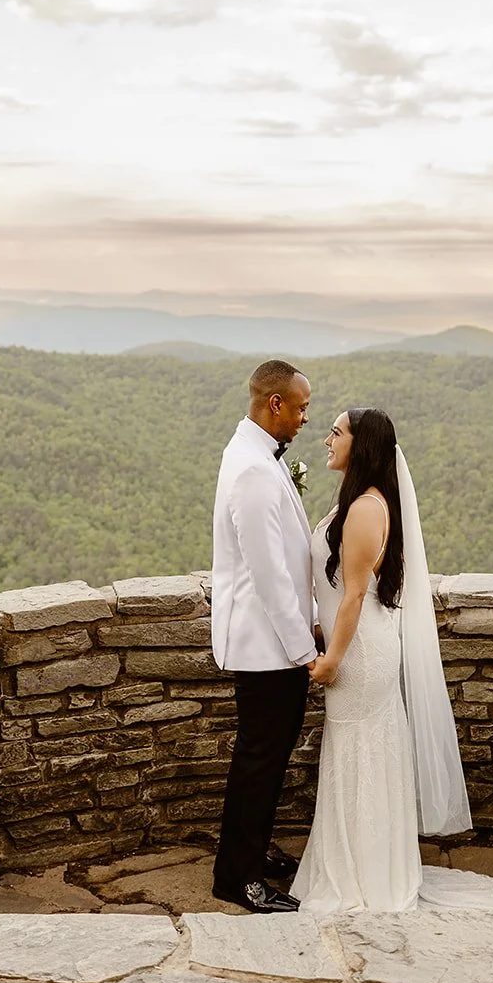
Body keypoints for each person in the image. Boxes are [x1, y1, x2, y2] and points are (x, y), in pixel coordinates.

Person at [292, 407, 473, 914]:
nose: (327, 439)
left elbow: (353, 596)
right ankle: (358, 862)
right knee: (355, 754)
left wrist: (332, 658)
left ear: (362, 445)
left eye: (336, 432)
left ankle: (365, 875)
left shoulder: (368, 509)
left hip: (361, 653)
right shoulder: (357, 502)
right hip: (354, 640)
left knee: (363, 754)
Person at [210, 360, 318, 914]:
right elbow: (268, 574)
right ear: (273, 403)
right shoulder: (252, 469)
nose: (304, 418)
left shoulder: (253, 456)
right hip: (266, 646)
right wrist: (304, 647)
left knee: (267, 759)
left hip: (273, 641)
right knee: (260, 760)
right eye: (299, 407)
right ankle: (238, 878)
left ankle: (253, 849)